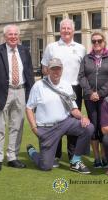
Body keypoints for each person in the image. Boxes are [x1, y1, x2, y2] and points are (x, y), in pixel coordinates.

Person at [26, 58, 94, 173]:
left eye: (58, 69)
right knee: (45, 166)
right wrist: (34, 128)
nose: (56, 72)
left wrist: (83, 117)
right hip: (47, 128)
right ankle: (32, 152)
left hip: (65, 123)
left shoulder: (66, 85)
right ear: (48, 70)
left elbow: (73, 109)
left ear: (62, 70)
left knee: (88, 127)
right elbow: (29, 108)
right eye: (53, 69)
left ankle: (75, 161)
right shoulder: (38, 86)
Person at [0, 24, 35, 172]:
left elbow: (29, 74)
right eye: (10, 34)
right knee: (0, 127)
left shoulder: (25, 51)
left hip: (21, 91)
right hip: (2, 93)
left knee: (17, 127)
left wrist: (32, 96)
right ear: (5, 36)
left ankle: (12, 157)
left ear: (18, 36)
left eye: (15, 34)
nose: (13, 37)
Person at [41, 18, 85, 164]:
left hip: (75, 89)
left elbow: (83, 71)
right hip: (55, 88)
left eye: (69, 28)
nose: (66, 31)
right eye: (63, 28)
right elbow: (45, 69)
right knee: (56, 121)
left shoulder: (81, 48)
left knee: (73, 121)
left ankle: (72, 155)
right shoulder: (51, 47)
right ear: (60, 30)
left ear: (73, 30)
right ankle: (55, 155)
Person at [78, 32, 108, 168]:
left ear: (104, 42)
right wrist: (90, 92)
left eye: (99, 41)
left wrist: (100, 93)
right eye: (94, 41)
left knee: (103, 126)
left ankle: (103, 156)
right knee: (93, 126)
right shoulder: (86, 58)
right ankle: (96, 158)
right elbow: (81, 76)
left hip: (106, 98)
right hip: (90, 99)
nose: (96, 44)